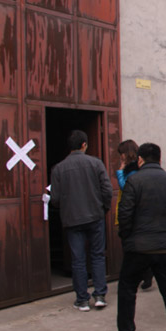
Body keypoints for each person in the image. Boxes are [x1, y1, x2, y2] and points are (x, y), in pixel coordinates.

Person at [111, 143, 166, 331]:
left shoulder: (134, 181)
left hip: (138, 247)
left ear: (140, 160)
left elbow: (125, 214)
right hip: (164, 246)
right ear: (160, 159)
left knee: (127, 289)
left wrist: (127, 238)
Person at [50, 130, 113, 312]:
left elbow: (55, 199)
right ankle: (100, 295)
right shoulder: (96, 163)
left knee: (78, 260)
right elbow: (107, 190)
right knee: (97, 255)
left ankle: (82, 299)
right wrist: (103, 208)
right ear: (84, 144)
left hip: (72, 219)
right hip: (95, 216)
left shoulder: (58, 169)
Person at [115, 139, 153, 290]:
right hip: (140, 212)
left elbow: (126, 187)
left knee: (133, 248)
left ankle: (142, 275)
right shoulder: (138, 167)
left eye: (121, 154)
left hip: (133, 213)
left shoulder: (131, 170)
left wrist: (120, 171)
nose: (120, 157)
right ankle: (146, 274)